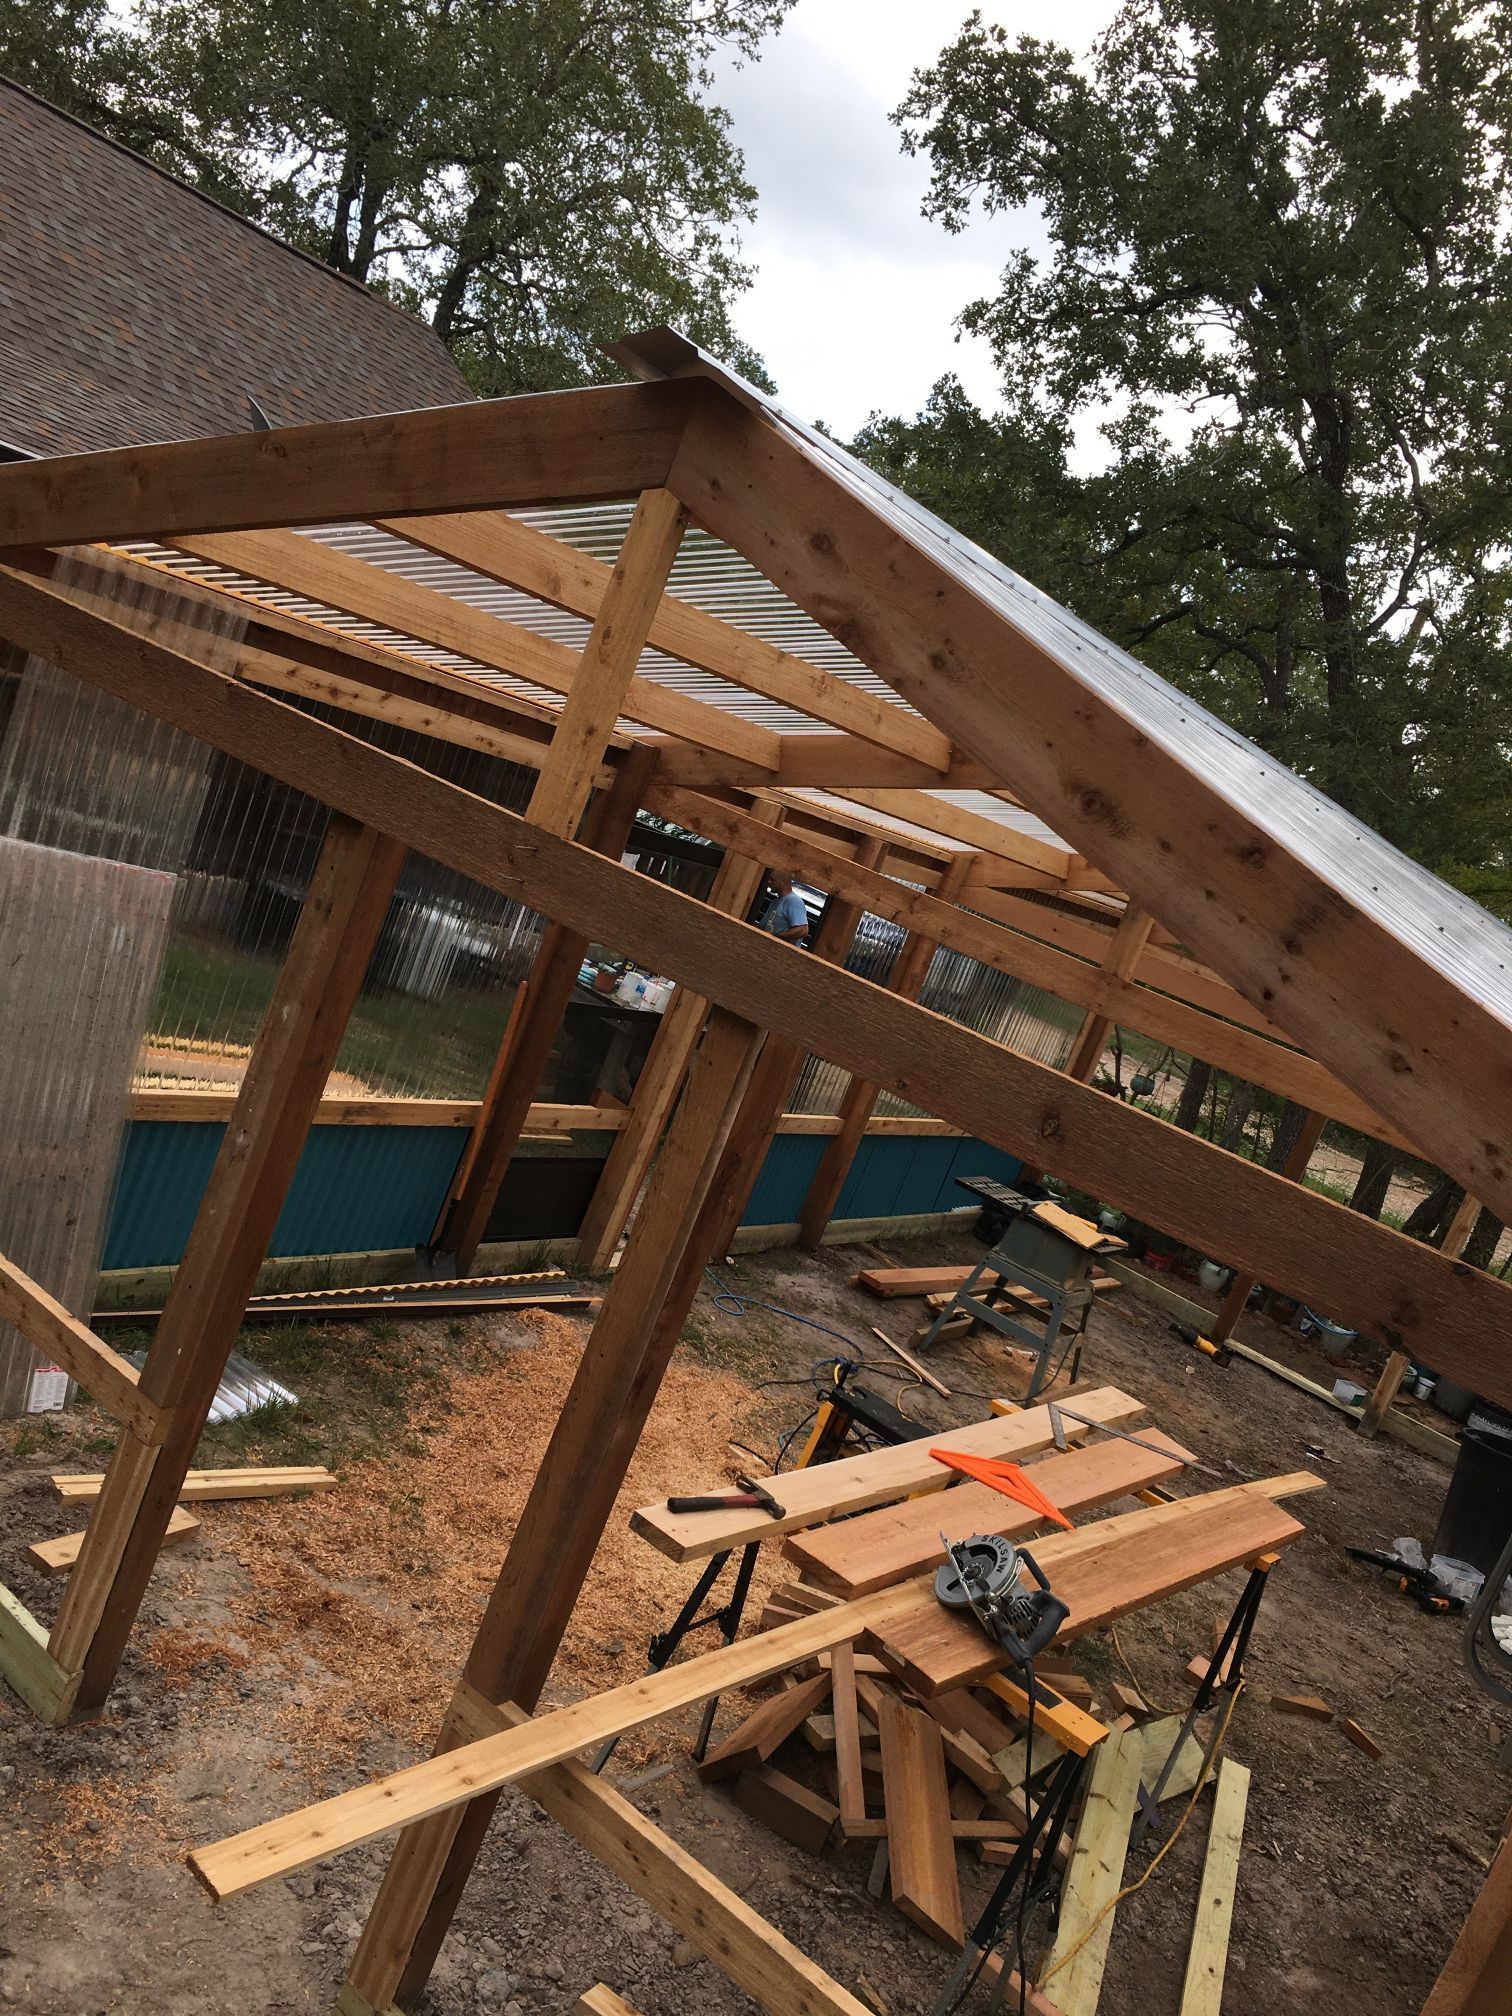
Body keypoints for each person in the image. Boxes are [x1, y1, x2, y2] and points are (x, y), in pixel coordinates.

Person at [759, 870, 811, 945]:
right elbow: (762, 927)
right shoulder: (775, 902)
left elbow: (803, 930)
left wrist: (776, 938)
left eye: (772, 880)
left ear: (783, 882)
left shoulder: (793, 901)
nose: (769, 882)